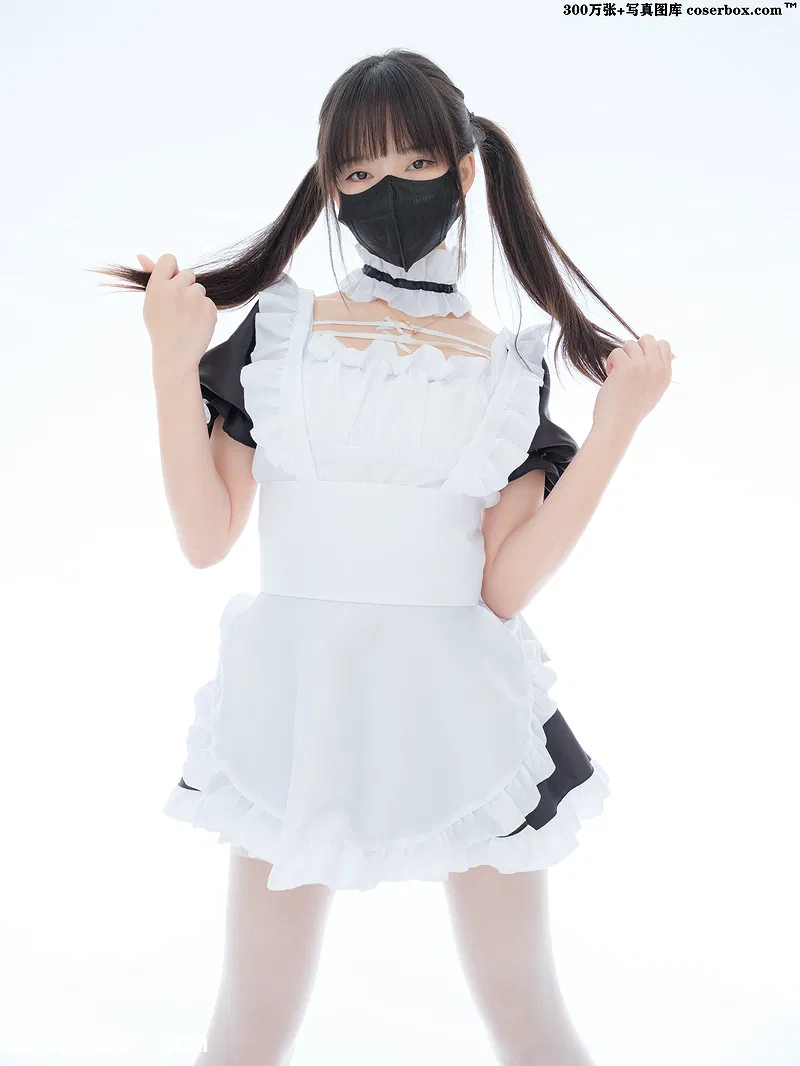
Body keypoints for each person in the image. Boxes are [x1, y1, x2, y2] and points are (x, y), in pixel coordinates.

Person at [94, 46, 674, 1066]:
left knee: (526, 1014)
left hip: (459, 707)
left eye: (413, 163)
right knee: (249, 1023)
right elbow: (205, 538)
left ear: (463, 172)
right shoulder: (281, 337)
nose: (386, 190)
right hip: (297, 700)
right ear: (330, 189)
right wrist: (169, 364)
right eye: (357, 172)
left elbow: (503, 586)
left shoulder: (506, 369)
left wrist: (615, 429)